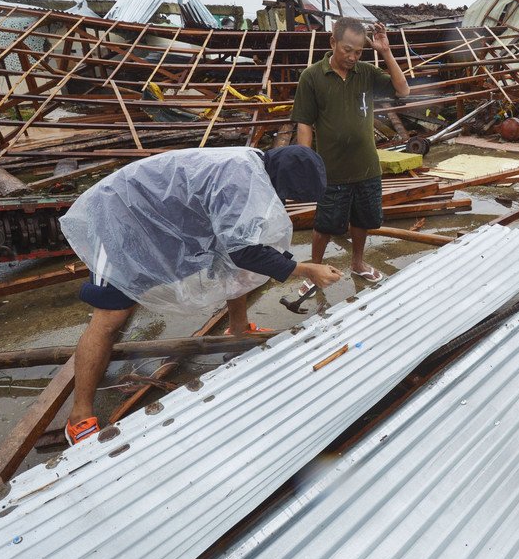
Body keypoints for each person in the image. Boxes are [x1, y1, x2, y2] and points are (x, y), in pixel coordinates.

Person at [58, 145, 343, 445]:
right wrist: (306, 269)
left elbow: (242, 242)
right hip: (118, 214)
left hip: (162, 212)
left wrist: (285, 260)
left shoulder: (260, 167)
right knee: (111, 315)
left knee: (234, 267)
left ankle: (239, 328)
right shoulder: (240, 178)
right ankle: (79, 417)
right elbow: (244, 251)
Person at [291, 17, 410, 298]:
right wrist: (308, 164)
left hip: (366, 166)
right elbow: (305, 124)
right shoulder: (312, 77)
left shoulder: (366, 73)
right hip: (331, 169)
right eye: (347, 50)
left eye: (358, 52)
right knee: (324, 224)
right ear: (333, 42)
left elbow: (403, 91)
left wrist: (386, 53)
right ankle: (314, 270)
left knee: (362, 219)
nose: (352, 57)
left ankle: (357, 263)